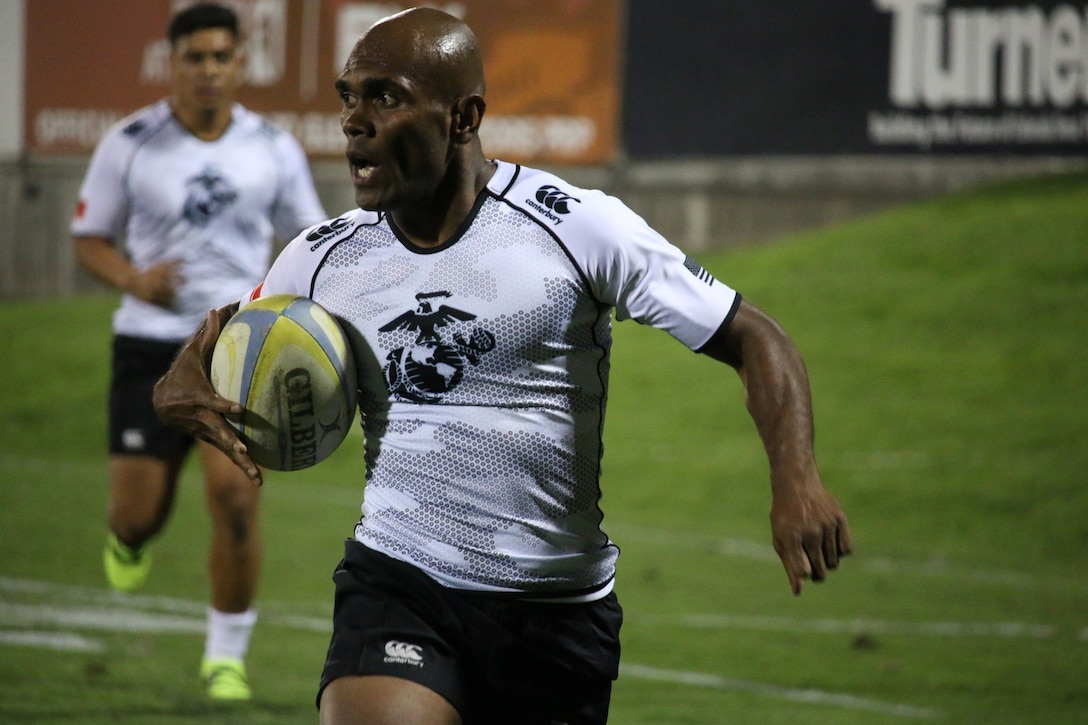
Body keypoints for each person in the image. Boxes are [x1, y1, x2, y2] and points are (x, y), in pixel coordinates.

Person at [153, 7, 852, 723]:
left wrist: (796, 477)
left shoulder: (576, 227)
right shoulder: (323, 257)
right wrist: (176, 387)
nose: (353, 121)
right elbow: (215, 345)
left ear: (463, 117)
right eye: (347, 96)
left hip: (555, 614)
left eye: (385, 96)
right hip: (399, 578)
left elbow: (756, 336)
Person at [72, 2, 327, 702]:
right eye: (196, 57)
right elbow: (88, 237)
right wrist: (133, 278)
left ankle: (226, 660)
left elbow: (309, 239)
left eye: (222, 57)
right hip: (149, 346)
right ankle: (128, 538)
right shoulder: (130, 142)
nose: (209, 70)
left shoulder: (273, 148)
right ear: (173, 62)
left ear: (240, 64)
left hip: (236, 351)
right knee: (136, 514)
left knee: (237, 501)